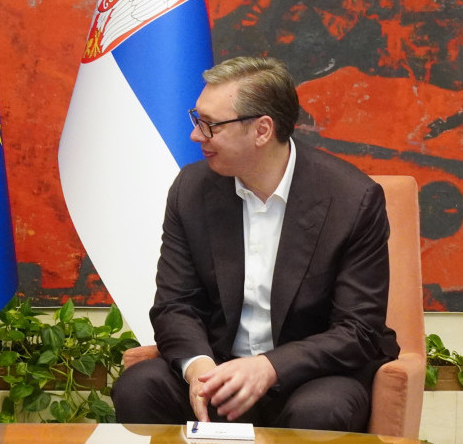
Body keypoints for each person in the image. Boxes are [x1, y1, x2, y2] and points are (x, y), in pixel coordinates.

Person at [111, 56, 399, 431]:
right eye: (197, 119)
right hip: (221, 367)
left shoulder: (352, 199)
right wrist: (199, 368)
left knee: (321, 410)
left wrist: (268, 367)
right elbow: (175, 305)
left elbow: (358, 330)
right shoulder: (191, 189)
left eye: (210, 125)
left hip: (312, 376)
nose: (196, 136)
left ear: (262, 130)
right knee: (140, 387)